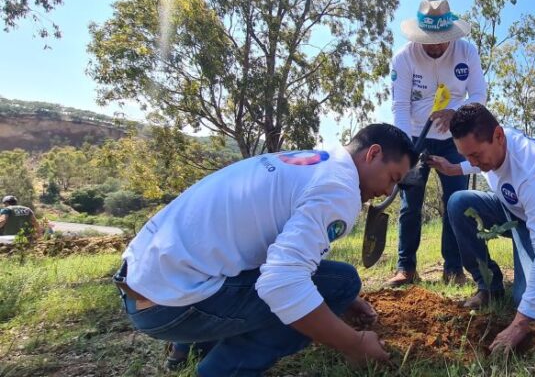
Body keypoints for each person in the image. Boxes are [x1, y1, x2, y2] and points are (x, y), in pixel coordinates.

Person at [114, 124, 417, 376]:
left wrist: (345, 300)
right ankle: (220, 369)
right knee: (339, 284)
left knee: (340, 282)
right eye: (393, 178)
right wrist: (354, 343)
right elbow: (282, 284)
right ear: (373, 153)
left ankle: (191, 346)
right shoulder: (340, 189)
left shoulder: (313, 161)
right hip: (170, 304)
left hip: (143, 283)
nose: (388, 192)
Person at [427, 103, 535, 353]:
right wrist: (454, 168)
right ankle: (489, 286)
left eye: (475, 155)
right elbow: (475, 160)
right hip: (511, 209)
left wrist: (519, 324)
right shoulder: (490, 145)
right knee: (459, 203)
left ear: (499, 136)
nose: (473, 162)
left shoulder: (532, 172)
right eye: (466, 156)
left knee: (529, 300)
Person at [386, 0, 487, 287]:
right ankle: (406, 268)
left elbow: (479, 94)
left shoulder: (467, 52)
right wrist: (406, 151)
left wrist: (458, 113)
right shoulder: (403, 59)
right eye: (429, 41)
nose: (436, 47)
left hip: (454, 141)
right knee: (410, 205)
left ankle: (453, 268)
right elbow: (400, 107)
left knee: (455, 203)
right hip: (417, 136)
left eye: (442, 41)